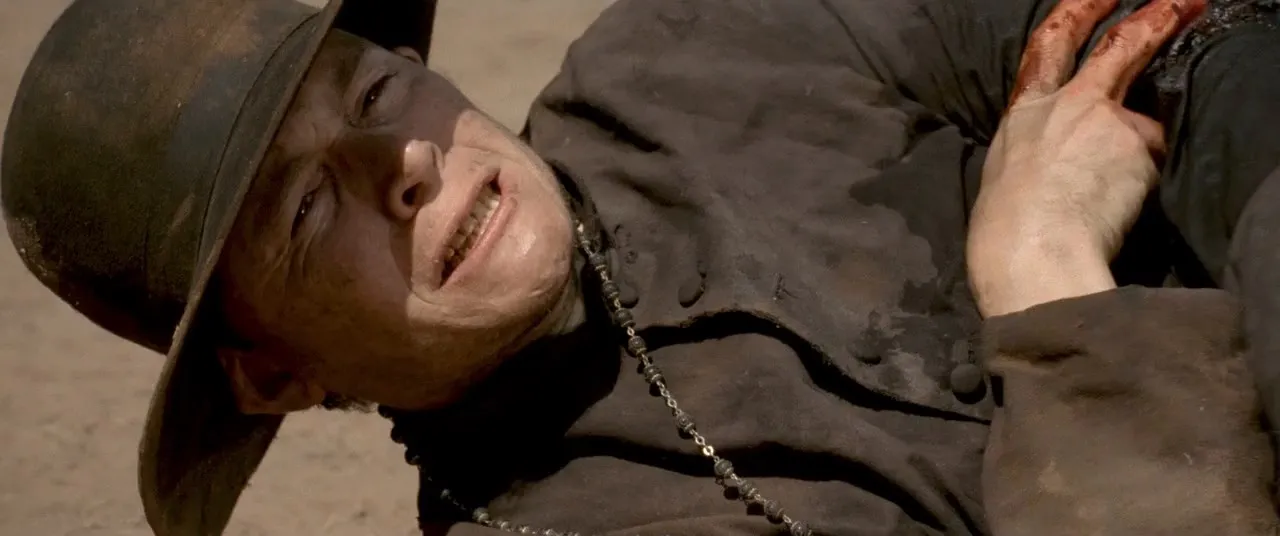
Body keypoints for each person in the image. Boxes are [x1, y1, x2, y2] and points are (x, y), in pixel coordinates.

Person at [2, 0, 1276, 535]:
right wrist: (1047, 282)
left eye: (379, 92)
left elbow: (1166, 38)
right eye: (304, 206)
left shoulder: (695, 48)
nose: (404, 160)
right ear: (275, 373)